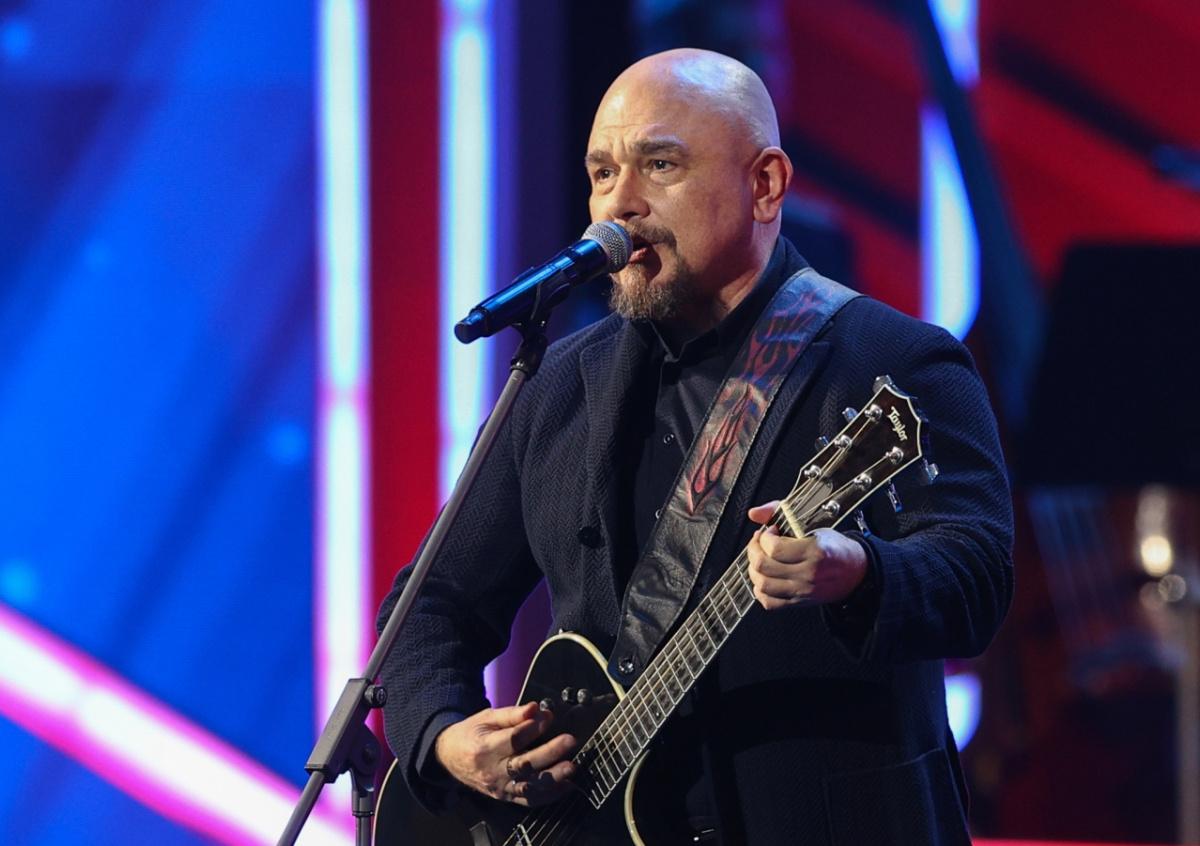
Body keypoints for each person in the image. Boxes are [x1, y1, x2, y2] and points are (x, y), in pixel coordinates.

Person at [377, 48, 1013, 845]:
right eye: (602, 173)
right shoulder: (556, 385)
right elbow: (429, 606)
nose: (620, 204)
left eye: (660, 165)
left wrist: (857, 571)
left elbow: (977, 577)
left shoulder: (895, 361)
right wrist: (445, 737)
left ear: (766, 185)